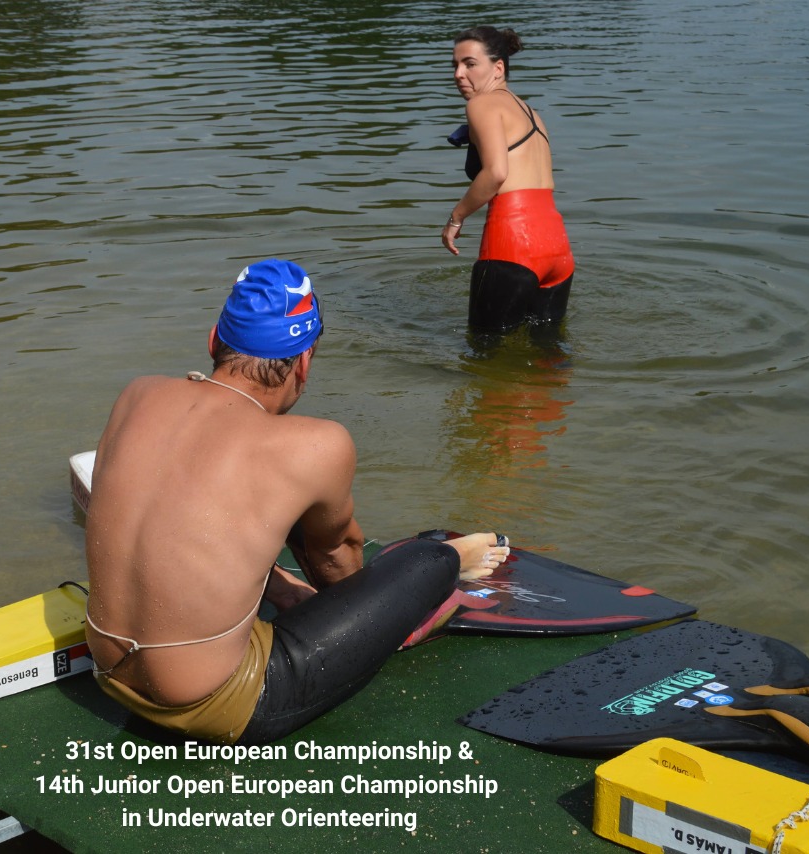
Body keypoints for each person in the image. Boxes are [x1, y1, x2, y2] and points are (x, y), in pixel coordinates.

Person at [84, 259, 510, 745]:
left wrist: (282, 587)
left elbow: (175, 524)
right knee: (425, 559)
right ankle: (455, 560)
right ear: (304, 362)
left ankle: (284, 587)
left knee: (262, 499)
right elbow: (339, 571)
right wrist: (390, 597)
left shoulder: (138, 395)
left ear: (213, 340)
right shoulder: (316, 445)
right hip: (218, 706)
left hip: (111, 674)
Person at [441, 26, 575, 334]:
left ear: (498, 67)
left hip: (513, 242)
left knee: (483, 349)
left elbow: (496, 173)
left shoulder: (482, 104)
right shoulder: (531, 112)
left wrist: (455, 218)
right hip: (557, 248)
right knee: (549, 350)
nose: (459, 74)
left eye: (470, 64)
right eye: (455, 65)